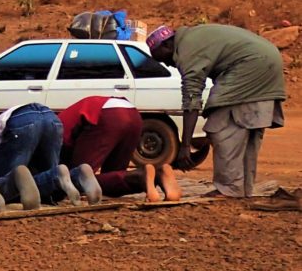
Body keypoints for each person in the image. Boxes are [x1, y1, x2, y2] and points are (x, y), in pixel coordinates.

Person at [147, 23, 286, 198]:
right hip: (268, 62)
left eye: (164, 59)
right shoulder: (194, 37)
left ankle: (229, 188)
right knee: (246, 132)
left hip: (250, 65)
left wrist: (186, 145)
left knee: (221, 126)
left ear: (167, 45)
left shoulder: (186, 50)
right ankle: (243, 188)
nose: (169, 65)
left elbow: (191, 98)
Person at [56, 96, 180, 201]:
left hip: (106, 115)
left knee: (78, 180)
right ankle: (159, 175)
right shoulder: (56, 120)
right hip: (132, 113)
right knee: (114, 179)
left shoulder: (54, 132)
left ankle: (140, 176)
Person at [0, 103, 84, 208]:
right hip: (51, 117)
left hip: (23, 120)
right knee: (48, 183)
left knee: (8, 186)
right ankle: (77, 176)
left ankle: (60, 176)